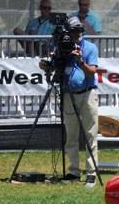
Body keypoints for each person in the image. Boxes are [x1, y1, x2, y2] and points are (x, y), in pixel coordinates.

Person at [40, 16, 99, 187]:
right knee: (71, 135)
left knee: (90, 134)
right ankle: (73, 171)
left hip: (87, 94)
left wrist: (80, 60)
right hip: (68, 93)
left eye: (77, 32)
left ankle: (91, 173)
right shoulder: (61, 48)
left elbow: (91, 72)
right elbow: (55, 66)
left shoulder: (89, 48)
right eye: (71, 33)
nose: (74, 36)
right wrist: (48, 66)